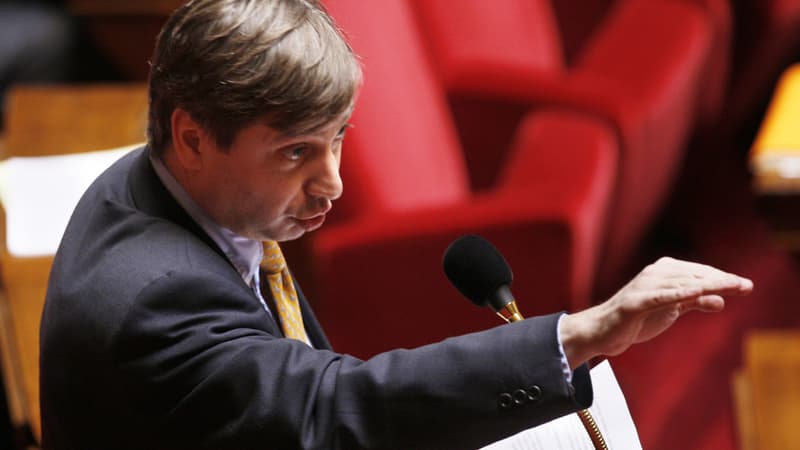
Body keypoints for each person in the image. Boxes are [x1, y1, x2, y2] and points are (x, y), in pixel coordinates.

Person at [39, 0, 753, 449]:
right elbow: (325, 409)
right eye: (296, 152)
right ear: (193, 137)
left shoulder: (167, 182)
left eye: (339, 138)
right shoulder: (159, 298)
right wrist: (577, 335)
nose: (333, 183)